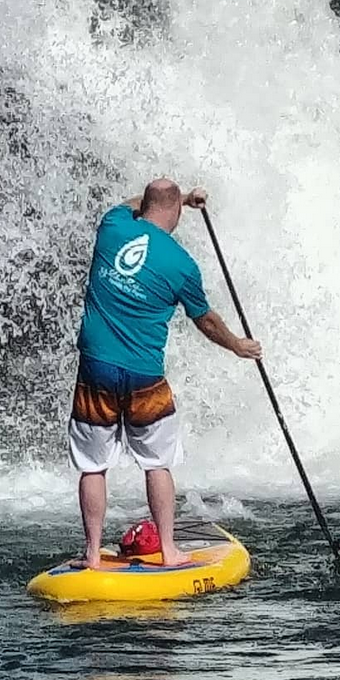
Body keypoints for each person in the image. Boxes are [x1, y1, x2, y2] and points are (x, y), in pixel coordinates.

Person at [68, 178, 262, 569]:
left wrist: (183, 199)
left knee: (93, 464)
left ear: (145, 205)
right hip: (144, 375)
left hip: (96, 369)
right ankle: (170, 551)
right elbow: (204, 321)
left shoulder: (113, 225)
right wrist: (238, 345)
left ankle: (91, 553)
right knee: (157, 462)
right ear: (175, 211)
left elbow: (130, 202)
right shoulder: (181, 264)